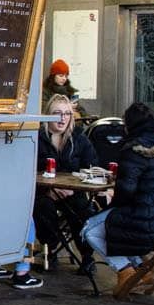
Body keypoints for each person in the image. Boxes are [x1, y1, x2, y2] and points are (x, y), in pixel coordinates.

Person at [81, 102, 154, 291]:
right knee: (105, 223)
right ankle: (143, 269)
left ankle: (126, 271)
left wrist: (110, 202)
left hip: (150, 226)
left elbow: (125, 193)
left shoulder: (135, 150)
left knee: (89, 230)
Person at [33, 93, 100, 268]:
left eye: (67, 114)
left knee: (82, 210)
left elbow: (92, 166)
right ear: (48, 115)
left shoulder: (79, 138)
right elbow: (26, 171)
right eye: (57, 113)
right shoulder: (36, 139)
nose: (62, 118)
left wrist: (74, 188)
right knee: (42, 207)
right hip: (44, 193)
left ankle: (87, 256)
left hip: (73, 192)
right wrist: (48, 190)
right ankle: (52, 248)